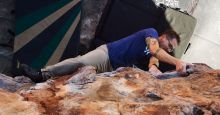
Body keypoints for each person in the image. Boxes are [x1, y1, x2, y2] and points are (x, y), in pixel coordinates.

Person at [18, 28, 190, 82]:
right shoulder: (152, 33)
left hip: (113, 70)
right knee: (82, 61)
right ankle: (42, 74)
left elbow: (154, 60)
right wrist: (177, 61)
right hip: (107, 55)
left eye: (172, 49)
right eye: (170, 45)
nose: (169, 50)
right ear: (163, 37)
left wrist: (156, 69)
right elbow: (155, 51)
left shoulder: (156, 52)